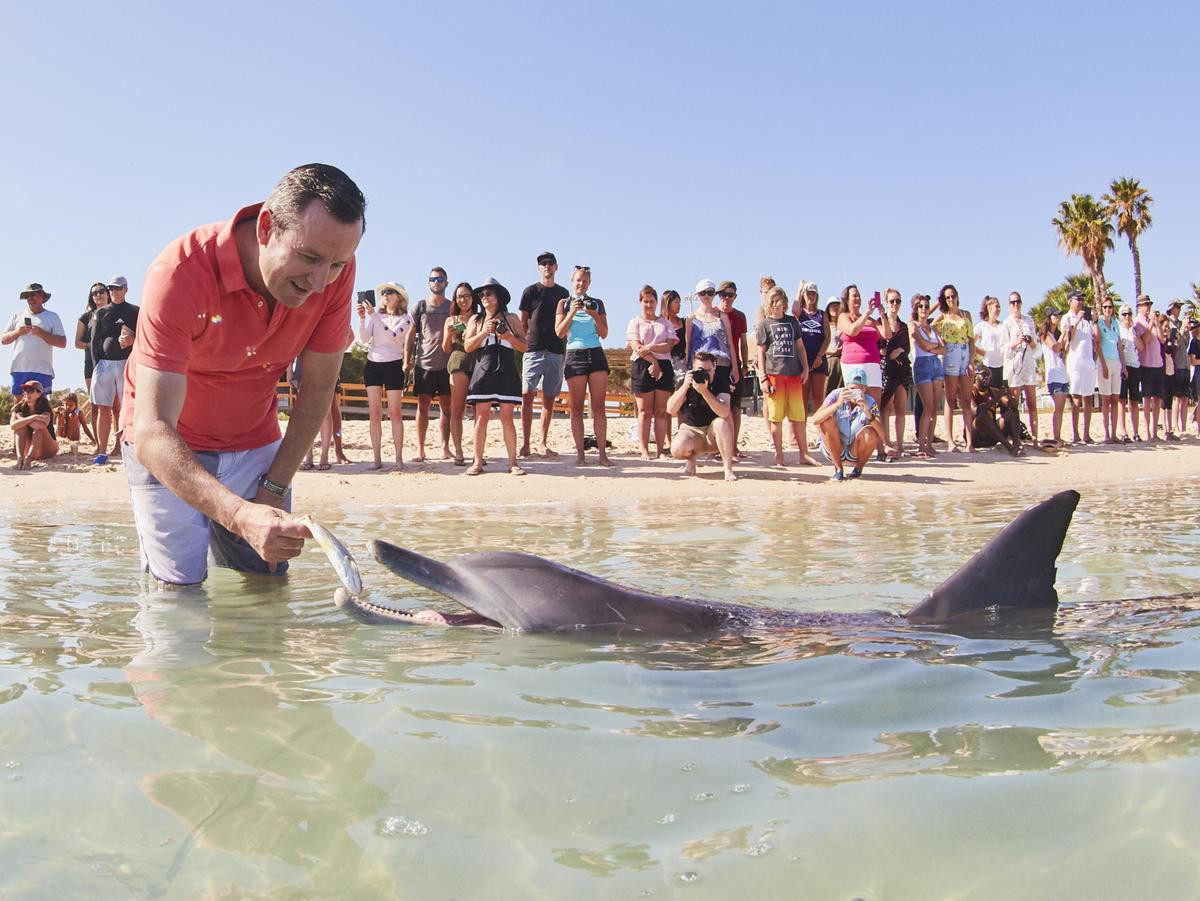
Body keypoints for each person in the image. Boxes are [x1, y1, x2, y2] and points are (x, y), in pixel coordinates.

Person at [121, 163, 365, 585]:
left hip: (256, 443)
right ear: (267, 227)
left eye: (337, 265)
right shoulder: (179, 273)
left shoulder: (331, 268)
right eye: (308, 258)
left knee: (266, 583)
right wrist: (237, 514)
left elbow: (318, 390)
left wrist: (273, 488)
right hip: (169, 446)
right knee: (177, 596)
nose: (320, 282)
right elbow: (152, 430)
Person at [463, 279, 528, 476]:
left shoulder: (512, 318)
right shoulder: (476, 320)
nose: (485, 297)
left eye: (489, 293)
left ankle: (513, 462)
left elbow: (524, 347)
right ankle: (477, 462)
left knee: (507, 417)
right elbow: (467, 347)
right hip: (483, 367)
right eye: (482, 295)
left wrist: (507, 336)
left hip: (507, 367)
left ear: (498, 296)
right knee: (482, 416)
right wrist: (484, 333)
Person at [555, 265, 611, 466]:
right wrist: (572, 313)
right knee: (576, 408)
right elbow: (559, 333)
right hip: (574, 354)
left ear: (589, 283)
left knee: (599, 407)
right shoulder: (563, 303)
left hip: (595, 353)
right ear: (572, 281)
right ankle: (580, 454)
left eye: (585, 281)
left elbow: (604, 333)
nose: (581, 284)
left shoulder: (598, 303)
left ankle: (603, 455)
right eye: (578, 280)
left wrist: (593, 313)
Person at [518, 251, 569, 458]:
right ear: (539, 268)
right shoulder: (530, 291)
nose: (546, 266)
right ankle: (525, 443)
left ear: (556, 267)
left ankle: (542, 442)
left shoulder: (564, 293)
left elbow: (566, 322)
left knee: (549, 399)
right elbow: (522, 321)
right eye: (543, 264)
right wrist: (523, 344)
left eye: (550, 263)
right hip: (533, 349)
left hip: (556, 350)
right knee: (527, 395)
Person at [358, 282, 412, 471]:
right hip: (373, 363)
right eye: (385, 292)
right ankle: (377, 458)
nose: (386, 295)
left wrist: (373, 315)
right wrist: (363, 319)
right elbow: (365, 339)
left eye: (391, 292)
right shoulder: (376, 316)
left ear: (399, 297)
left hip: (393, 364)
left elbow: (392, 336)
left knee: (395, 413)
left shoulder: (406, 319)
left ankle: (398, 457)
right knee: (374, 413)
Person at [755, 286, 810, 467]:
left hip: (793, 375)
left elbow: (800, 346)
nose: (777, 304)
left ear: (785, 302)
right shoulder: (765, 324)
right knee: (776, 418)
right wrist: (762, 377)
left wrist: (806, 367)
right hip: (774, 376)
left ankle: (804, 454)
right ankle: (779, 456)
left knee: (799, 417)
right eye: (773, 301)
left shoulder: (792, 322)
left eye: (780, 300)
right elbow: (761, 352)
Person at [90, 276, 139, 464]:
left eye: (118, 288)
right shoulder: (101, 312)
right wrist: (97, 365)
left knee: (127, 407)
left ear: (126, 289)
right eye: (111, 288)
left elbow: (144, 336)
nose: (113, 292)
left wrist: (132, 340)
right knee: (103, 408)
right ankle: (102, 451)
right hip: (105, 364)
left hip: (127, 363)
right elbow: (94, 341)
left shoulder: (135, 311)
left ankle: (127, 448)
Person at [406, 266, 453, 462]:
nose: (436, 282)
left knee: (446, 408)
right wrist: (406, 361)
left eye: (440, 279)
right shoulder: (420, 307)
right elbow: (410, 335)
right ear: (428, 282)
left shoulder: (452, 307)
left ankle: (445, 448)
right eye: (433, 279)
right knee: (422, 406)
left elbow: (460, 331)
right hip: (423, 363)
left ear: (446, 283)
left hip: (446, 364)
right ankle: (421, 449)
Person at [666, 351, 736, 481]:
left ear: (714, 367)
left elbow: (725, 412)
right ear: (692, 370)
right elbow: (670, 409)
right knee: (676, 448)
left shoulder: (721, 383)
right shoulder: (685, 383)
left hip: (713, 434)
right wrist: (684, 387)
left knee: (722, 422)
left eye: (708, 370)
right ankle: (691, 459)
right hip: (691, 432)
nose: (704, 374)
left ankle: (728, 469)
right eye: (700, 370)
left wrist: (705, 392)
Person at [626, 285, 676, 459]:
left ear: (657, 302)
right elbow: (636, 346)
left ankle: (661, 450)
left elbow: (668, 344)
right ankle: (644, 449)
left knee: (661, 411)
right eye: (645, 301)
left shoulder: (665, 322)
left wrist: (651, 348)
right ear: (640, 302)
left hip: (665, 365)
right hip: (642, 365)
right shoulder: (635, 322)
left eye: (652, 301)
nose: (649, 305)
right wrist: (653, 361)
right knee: (644, 411)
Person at [685, 279, 740, 422]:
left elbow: (730, 344)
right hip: (700, 366)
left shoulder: (722, 317)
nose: (706, 296)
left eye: (710, 292)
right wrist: (688, 366)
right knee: (700, 402)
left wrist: (735, 367)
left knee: (725, 405)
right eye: (703, 293)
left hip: (721, 365)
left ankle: (729, 443)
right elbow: (688, 345)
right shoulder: (691, 318)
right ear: (698, 295)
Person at [810, 372, 883, 481]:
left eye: (859, 390)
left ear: (865, 389)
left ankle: (858, 468)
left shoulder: (869, 401)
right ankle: (839, 469)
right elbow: (816, 419)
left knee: (870, 432)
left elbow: (882, 434)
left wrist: (867, 411)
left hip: (856, 450)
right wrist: (838, 404)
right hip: (833, 448)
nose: (854, 393)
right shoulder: (836, 395)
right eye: (852, 389)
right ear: (846, 387)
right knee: (826, 421)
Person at [836, 285, 892, 413]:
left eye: (859, 296)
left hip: (873, 364)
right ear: (847, 299)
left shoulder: (870, 320)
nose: (858, 298)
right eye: (854, 296)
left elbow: (887, 334)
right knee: (856, 402)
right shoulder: (843, 317)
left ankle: (872, 431)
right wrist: (867, 312)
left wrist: (882, 315)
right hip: (853, 364)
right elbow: (852, 330)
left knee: (874, 404)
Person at [3, 283, 66, 395]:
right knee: (19, 406)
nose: (30, 298)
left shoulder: (52, 317)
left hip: (42, 370)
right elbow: (3, 340)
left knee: (41, 406)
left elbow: (62, 343)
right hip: (19, 368)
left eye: (33, 294)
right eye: (27, 295)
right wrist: (18, 332)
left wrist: (41, 333)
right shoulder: (17, 316)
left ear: (42, 296)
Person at [934, 284, 975, 452]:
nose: (951, 299)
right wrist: (940, 344)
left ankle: (969, 441)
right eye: (947, 297)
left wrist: (972, 360)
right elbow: (928, 326)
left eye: (953, 296)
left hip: (965, 353)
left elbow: (971, 339)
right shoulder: (942, 316)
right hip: (950, 353)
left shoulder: (966, 314)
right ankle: (951, 441)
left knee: (966, 399)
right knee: (950, 399)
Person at [441, 281, 478, 466]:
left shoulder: (480, 318)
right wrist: (449, 334)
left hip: (478, 364)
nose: (463, 300)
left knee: (479, 410)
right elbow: (446, 348)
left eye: (466, 296)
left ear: (472, 297)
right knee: (457, 409)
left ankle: (478, 452)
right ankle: (458, 451)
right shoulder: (451, 320)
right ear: (455, 299)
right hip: (458, 363)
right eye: (460, 296)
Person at [910, 294, 945, 459]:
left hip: (936, 364)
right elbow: (921, 344)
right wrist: (933, 347)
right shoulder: (913, 326)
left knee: (935, 408)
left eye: (926, 306)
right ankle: (921, 445)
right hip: (922, 364)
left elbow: (944, 349)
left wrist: (932, 348)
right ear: (916, 309)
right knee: (927, 407)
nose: (923, 309)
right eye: (920, 306)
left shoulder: (933, 328)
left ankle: (929, 444)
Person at [1001, 292, 1039, 444]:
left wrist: (1029, 341)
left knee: (1032, 403)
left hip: (1029, 364)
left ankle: (1035, 436)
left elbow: (1035, 346)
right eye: (1012, 302)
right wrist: (1016, 342)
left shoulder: (1029, 321)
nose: (1016, 305)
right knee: (1014, 404)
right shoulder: (1007, 323)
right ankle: (1015, 437)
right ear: (1009, 305)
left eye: (1018, 302)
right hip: (1015, 366)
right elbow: (1004, 348)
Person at [1062, 292, 1099, 444]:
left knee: (1088, 398)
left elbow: (1095, 339)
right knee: (1076, 398)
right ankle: (1075, 433)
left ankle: (1086, 434)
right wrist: (1076, 321)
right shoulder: (1067, 317)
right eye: (1078, 299)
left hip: (1088, 361)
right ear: (1071, 301)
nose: (1081, 302)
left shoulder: (1087, 320)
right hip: (1075, 362)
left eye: (1083, 299)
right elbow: (1068, 338)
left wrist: (1094, 321)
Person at [717, 280, 749, 453]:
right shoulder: (712, 314)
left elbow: (743, 342)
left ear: (735, 297)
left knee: (735, 407)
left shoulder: (740, 316)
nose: (726, 298)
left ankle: (733, 445)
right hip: (716, 366)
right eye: (723, 294)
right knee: (717, 406)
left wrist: (744, 365)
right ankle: (717, 446)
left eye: (730, 294)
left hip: (734, 365)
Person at [879, 288, 911, 459]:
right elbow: (881, 348)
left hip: (902, 369)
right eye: (892, 301)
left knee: (901, 407)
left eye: (898, 301)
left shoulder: (904, 326)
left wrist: (897, 350)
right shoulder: (879, 322)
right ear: (886, 302)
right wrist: (890, 351)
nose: (895, 304)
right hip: (885, 370)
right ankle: (887, 442)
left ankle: (900, 444)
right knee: (885, 407)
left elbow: (906, 349)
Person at [793, 281, 829, 420]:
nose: (811, 296)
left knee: (819, 399)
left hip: (818, 359)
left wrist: (820, 355)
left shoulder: (822, 314)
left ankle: (821, 435)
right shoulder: (800, 313)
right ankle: (802, 434)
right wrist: (799, 289)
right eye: (808, 293)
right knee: (803, 398)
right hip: (803, 360)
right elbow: (794, 309)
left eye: (813, 293)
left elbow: (827, 338)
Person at [76, 283, 109, 434]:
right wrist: (92, 345)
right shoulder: (86, 317)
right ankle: (98, 444)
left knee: (116, 406)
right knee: (95, 404)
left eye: (101, 291)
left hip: (114, 361)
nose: (98, 295)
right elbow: (77, 343)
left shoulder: (115, 312)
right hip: (91, 363)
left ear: (108, 293)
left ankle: (118, 445)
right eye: (94, 293)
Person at [1133, 295, 1164, 441]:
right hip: (1146, 364)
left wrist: (1156, 323)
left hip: (1158, 364)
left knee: (1157, 398)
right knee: (1146, 399)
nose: (1148, 307)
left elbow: (1161, 339)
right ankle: (1147, 432)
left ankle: (1155, 431)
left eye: (1149, 304)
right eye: (1145, 305)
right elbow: (1144, 341)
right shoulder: (1138, 322)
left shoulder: (1150, 321)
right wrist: (1151, 322)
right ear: (1139, 306)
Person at [969, 368, 1022, 456]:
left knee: (1013, 412)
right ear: (976, 376)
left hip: (993, 436)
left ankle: (1016, 445)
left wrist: (1008, 394)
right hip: (977, 437)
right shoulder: (971, 391)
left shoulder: (993, 391)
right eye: (983, 375)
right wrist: (995, 399)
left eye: (988, 376)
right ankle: (1008, 447)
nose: (986, 378)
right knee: (982, 415)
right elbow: (975, 411)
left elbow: (1013, 406)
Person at [1095, 296, 1125, 444]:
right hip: (1104, 361)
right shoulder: (1099, 323)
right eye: (1105, 307)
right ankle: (1106, 433)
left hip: (1116, 362)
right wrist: (1103, 365)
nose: (1108, 309)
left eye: (1110, 307)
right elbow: (1097, 344)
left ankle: (1114, 434)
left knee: (1115, 398)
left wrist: (1124, 365)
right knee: (1105, 399)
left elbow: (1119, 344)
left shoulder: (1115, 323)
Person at [9, 380, 58, 469]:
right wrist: (33, 417)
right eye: (25, 390)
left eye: (30, 390)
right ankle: (20, 458)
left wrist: (22, 419)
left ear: (39, 394)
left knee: (39, 430)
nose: (27, 393)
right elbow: (13, 426)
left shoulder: (45, 407)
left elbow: (40, 426)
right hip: (28, 448)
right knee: (20, 428)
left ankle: (28, 459)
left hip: (47, 448)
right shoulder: (19, 408)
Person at [1040, 310, 1070, 446]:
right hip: (1053, 376)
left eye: (1059, 315)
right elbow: (1055, 348)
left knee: (1061, 408)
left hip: (1062, 373)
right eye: (1055, 315)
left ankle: (1058, 435)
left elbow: (1064, 350)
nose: (1057, 318)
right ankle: (1056, 436)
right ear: (1049, 317)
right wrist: (1064, 333)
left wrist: (1066, 335)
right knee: (1058, 407)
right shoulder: (1046, 335)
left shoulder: (1057, 335)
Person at [1163, 299, 1190, 439]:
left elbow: (1185, 344)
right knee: (1176, 398)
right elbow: (1174, 343)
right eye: (1178, 307)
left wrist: (1186, 330)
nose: (1179, 309)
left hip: (1185, 363)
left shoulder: (1180, 323)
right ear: (1172, 308)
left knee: (1185, 398)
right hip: (1176, 365)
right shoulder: (1169, 323)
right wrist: (1181, 329)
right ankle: (1175, 426)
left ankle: (1184, 427)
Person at [1117, 303, 1142, 442]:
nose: (1127, 316)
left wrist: (1134, 332)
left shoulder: (1133, 330)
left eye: (1129, 313)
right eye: (1124, 314)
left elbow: (1141, 347)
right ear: (1120, 316)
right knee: (1121, 400)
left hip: (1135, 365)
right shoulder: (1118, 330)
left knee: (1134, 401)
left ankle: (1136, 432)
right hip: (1122, 365)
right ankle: (1123, 431)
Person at [974, 295, 1006, 389]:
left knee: (1004, 398)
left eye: (1000, 307)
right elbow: (970, 342)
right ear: (989, 307)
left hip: (1003, 366)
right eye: (997, 306)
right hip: (988, 367)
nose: (999, 309)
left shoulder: (1003, 325)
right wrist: (982, 352)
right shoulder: (981, 326)